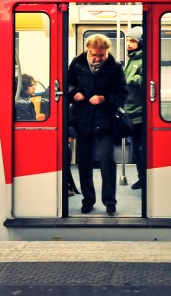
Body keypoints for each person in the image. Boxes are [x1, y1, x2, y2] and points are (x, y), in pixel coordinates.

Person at [68, 33, 127, 214]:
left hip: (106, 119)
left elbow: (122, 93)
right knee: (84, 161)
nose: (97, 58)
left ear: (107, 51)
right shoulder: (77, 63)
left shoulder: (115, 67)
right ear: (88, 50)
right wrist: (73, 93)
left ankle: (110, 201)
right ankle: (88, 199)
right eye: (94, 54)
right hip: (83, 118)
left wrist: (105, 98)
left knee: (106, 159)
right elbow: (67, 83)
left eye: (101, 55)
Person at [123, 26, 146, 190]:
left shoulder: (144, 59)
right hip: (130, 111)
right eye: (127, 40)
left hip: (140, 112)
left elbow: (147, 83)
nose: (128, 44)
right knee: (136, 150)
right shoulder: (131, 59)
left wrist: (134, 80)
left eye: (132, 41)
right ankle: (141, 177)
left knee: (142, 148)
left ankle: (146, 177)